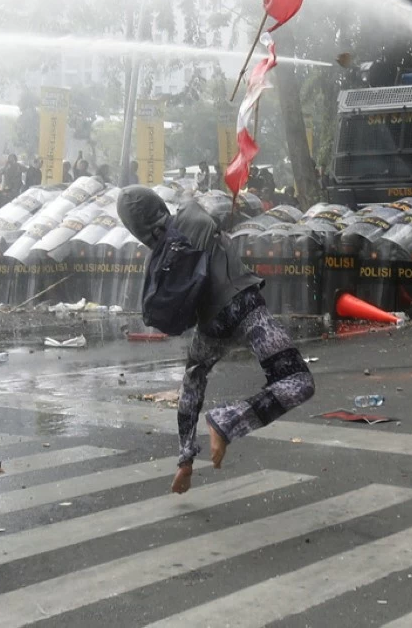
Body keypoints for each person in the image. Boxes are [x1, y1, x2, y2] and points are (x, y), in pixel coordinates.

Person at [117, 186, 315, 495]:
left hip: (211, 324)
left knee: (193, 378)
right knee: (298, 381)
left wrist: (185, 458)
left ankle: (185, 457)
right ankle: (228, 420)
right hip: (244, 305)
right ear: (158, 204)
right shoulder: (190, 214)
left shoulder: (157, 262)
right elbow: (218, 212)